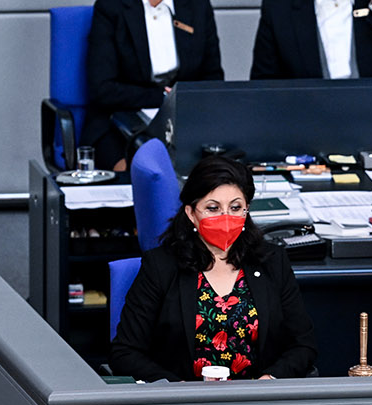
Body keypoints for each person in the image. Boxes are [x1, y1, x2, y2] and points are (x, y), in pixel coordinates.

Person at [110, 155, 316, 381]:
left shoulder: (271, 261)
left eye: (235, 207)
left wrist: (270, 379)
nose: (226, 217)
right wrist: (177, 389)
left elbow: (303, 345)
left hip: (256, 402)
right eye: (213, 208)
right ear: (191, 213)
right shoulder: (162, 266)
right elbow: (125, 353)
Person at [84, 0, 224, 170]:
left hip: (184, 121)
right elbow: (103, 89)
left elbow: (213, 78)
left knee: (216, 171)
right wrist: (162, 96)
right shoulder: (110, 10)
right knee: (144, 172)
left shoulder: (197, 6)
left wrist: (179, 105)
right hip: (120, 122)